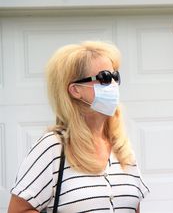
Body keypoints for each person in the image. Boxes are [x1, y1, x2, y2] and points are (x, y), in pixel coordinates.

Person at [8, 41, 149, 213]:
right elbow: (18, 210)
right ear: (75, 90)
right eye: (104, 77)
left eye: (115, 76)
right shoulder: (54, 146)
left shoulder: (122, 148)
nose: (112, 84)